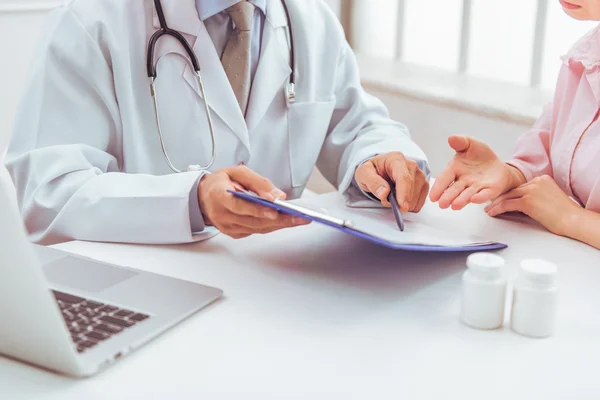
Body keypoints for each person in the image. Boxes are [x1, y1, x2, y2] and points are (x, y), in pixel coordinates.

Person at [5, 0, 430, 245]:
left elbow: (357, 125)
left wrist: (380, 159)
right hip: (145, 299)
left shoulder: (310, 21)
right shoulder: (92, 17)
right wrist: (191, 201)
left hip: (277, 300)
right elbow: (46, 194)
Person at [430, 0, 600, 250]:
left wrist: (572, 219)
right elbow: (553, 155)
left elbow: (563, 209)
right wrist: (511, 174)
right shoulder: (584, 56)